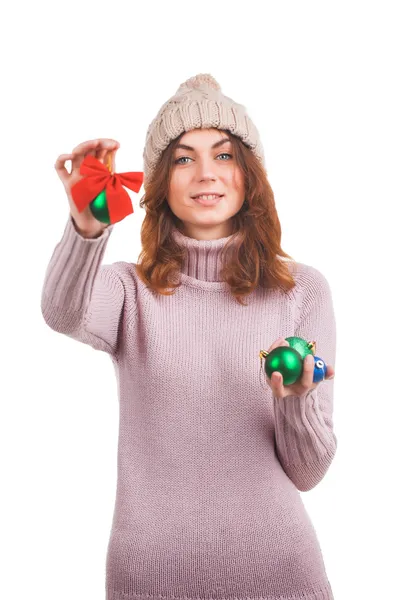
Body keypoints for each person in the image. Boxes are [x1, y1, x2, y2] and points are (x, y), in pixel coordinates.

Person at [41, 73, 337, 600]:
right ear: (161, 183)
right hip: (150, 574)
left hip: (279, 571)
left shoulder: (301, 291)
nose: (206, 174)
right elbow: (63, 312)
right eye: (183, 158)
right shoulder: (129, 291)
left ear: (249, 175)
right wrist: (86, 227)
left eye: (224, 156)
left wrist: (295, 404)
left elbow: (309, 470)